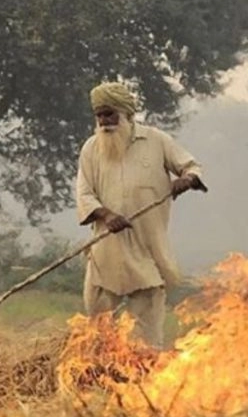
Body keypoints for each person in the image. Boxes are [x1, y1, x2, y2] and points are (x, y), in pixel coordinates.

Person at [75, 81, 205, 348]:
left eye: (109, 114)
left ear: (126, 113)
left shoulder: (156, 140)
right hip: (106, 255)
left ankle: (148, 371)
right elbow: (84, 194)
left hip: (147, 252)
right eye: (99, 116)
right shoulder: (91, 148)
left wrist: (187, 179)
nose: (104, 122)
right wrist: (107, 215)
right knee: (97, 336)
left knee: (147, 341)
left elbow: (191, 166)